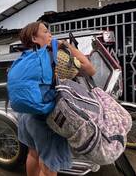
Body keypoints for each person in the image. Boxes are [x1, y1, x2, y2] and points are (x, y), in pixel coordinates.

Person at [12, 22, 95, 176]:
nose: (50, 34)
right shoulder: (56, 57)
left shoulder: (24, 57)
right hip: (46, 118)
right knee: (49, 165)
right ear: (34, 38)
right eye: (46, 31)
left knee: (33, 153)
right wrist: (67, 45)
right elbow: (90, 69)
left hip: (25, 115)